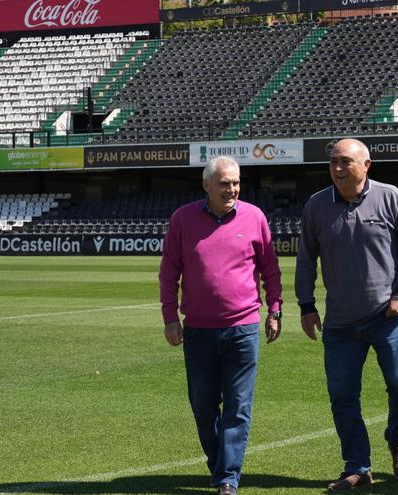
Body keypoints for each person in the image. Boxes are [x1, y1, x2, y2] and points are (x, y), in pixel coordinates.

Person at [295, 138, 398, 491]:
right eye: (333, 162)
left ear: (366, 165)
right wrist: (306, 305)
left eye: (346, 162)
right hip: (339, 323)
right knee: (342, 395)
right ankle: (357, 465)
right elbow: (306, 259)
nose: (338, 168)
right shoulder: (316, 205)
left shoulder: (390, 197)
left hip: (387, 317)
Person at [159, 156, 283, 495]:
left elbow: (270, 269)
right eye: (225, 183)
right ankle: (219, 464)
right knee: (203, 405)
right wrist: (170, 317)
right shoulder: (183, 219)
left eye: (236, 183)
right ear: (207, 186)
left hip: (243, 328)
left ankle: (228, 476)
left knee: (238, 405)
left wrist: (274, 310)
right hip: (198, 330)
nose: (232, 189)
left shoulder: (254, 216)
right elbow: (169, 271)